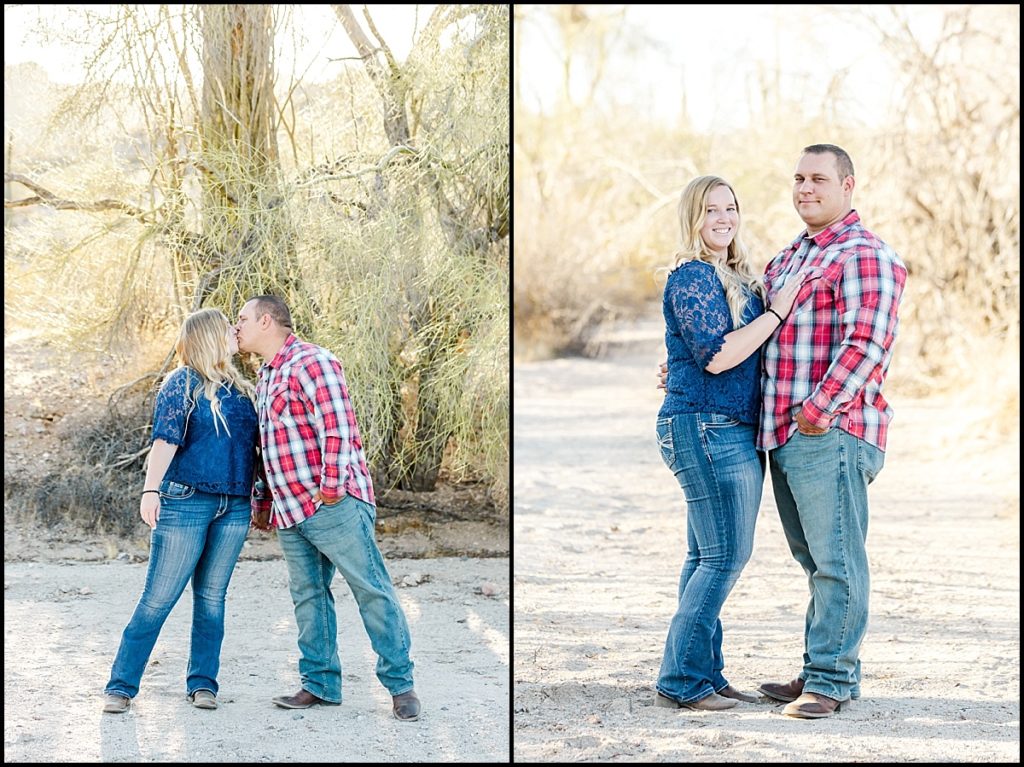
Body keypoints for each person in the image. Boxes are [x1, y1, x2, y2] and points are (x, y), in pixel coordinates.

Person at [754, 144, 907, 719]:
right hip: (785, 433)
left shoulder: (865, 254)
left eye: (818, 178)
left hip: (831, 430)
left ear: (848, 185)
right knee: (814, 559)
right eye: (797, 177)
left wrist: (818, 410)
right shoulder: (790, 256)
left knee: (838, 560)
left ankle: (832, 682)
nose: (805, 188)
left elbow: (867, 344)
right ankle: (819, 666)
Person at [653, 176, 804, 711]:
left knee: (704, 557)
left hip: (726, 426)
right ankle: (681, 680)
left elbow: (713, 353)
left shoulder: (735, 276)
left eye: (731, 208)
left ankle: (704, 673)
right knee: (724, 557)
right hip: (705, 426)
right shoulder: (691, 276)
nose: (723, 218)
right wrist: (777, 313)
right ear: (692, 218)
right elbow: (717, 355)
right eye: (710, 209)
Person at [235, 295, 421, 721]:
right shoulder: (267, 375)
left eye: (242, 319)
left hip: (331, 505)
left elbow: (338, 427)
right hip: (290, 510)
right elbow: (269, 447)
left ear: (266, 320)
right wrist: (264, 500)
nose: (237, 327)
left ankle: (401, 687)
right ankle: (319, 684)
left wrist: (332, 488)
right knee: (308, 597)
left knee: (370, 590)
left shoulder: (312, 361)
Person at [103, 309, 259, 714]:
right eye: (228, 327)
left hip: (234, 506)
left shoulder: (243, 388)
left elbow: (255, 450)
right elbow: (165, 440)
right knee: (158, 598)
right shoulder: (182, 382)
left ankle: (203, 684)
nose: (235, 331)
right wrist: (150, 489)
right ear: (209, 335)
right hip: (186, 501)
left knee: (212, 599)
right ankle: (120, 686)